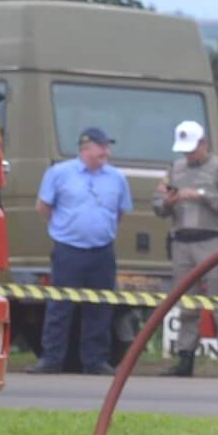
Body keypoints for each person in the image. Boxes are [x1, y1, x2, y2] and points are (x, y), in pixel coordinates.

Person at [32, 126, 132, 376]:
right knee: (60, 306)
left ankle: (96, 361)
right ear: (86, 148)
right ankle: (52, 358)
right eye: (102, 146)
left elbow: (119, 213)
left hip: (102, 251)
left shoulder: (116, 178)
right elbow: (43, 207)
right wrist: (66, 228)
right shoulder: (59, 173)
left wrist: (99, 229)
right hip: (68, 250)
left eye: (108, 146)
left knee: (100, 307)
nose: (106, 152)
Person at [154, 121, 218, 377]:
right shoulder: (174, 169)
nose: (187, 155)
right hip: (182, 242)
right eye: (184, 150)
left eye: (192, 149)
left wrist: (201, 195)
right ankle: (184, 361)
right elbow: (157, 206)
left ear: (204, 143)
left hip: (213, 241)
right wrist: (167, 202)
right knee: (186, 305)